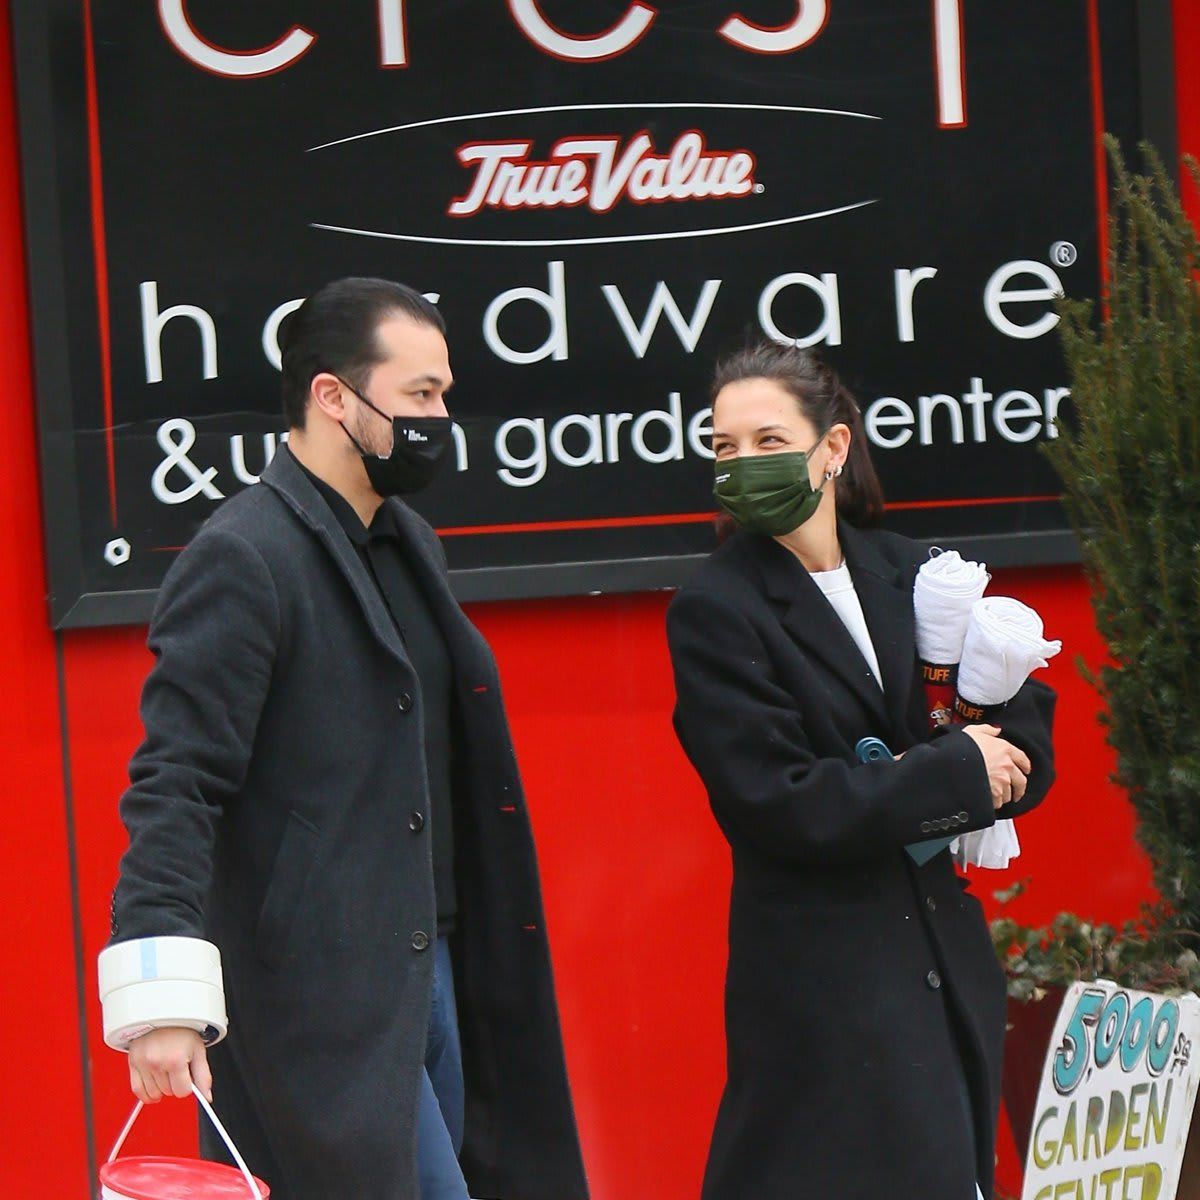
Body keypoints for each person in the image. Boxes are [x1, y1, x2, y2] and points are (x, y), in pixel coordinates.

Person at [103, 278, 588, 1200]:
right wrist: (159, 1001)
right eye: (420, 396)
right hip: (320, 994)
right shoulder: (242, 554)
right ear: (333, 396)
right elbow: (176, 781)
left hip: (439, 966)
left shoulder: (409, 540)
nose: (441, 417)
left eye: (443, 393)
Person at [666, 342, 1055, 1200]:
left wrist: (985, 756)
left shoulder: (917, 575)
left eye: (768, 441)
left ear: (832, 450)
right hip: (821, 988)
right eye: (724, 448)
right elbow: (782, 803)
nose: (742, 466)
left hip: (942, 968)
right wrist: (958, 770)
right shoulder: (716, 610)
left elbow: (1023, 732)